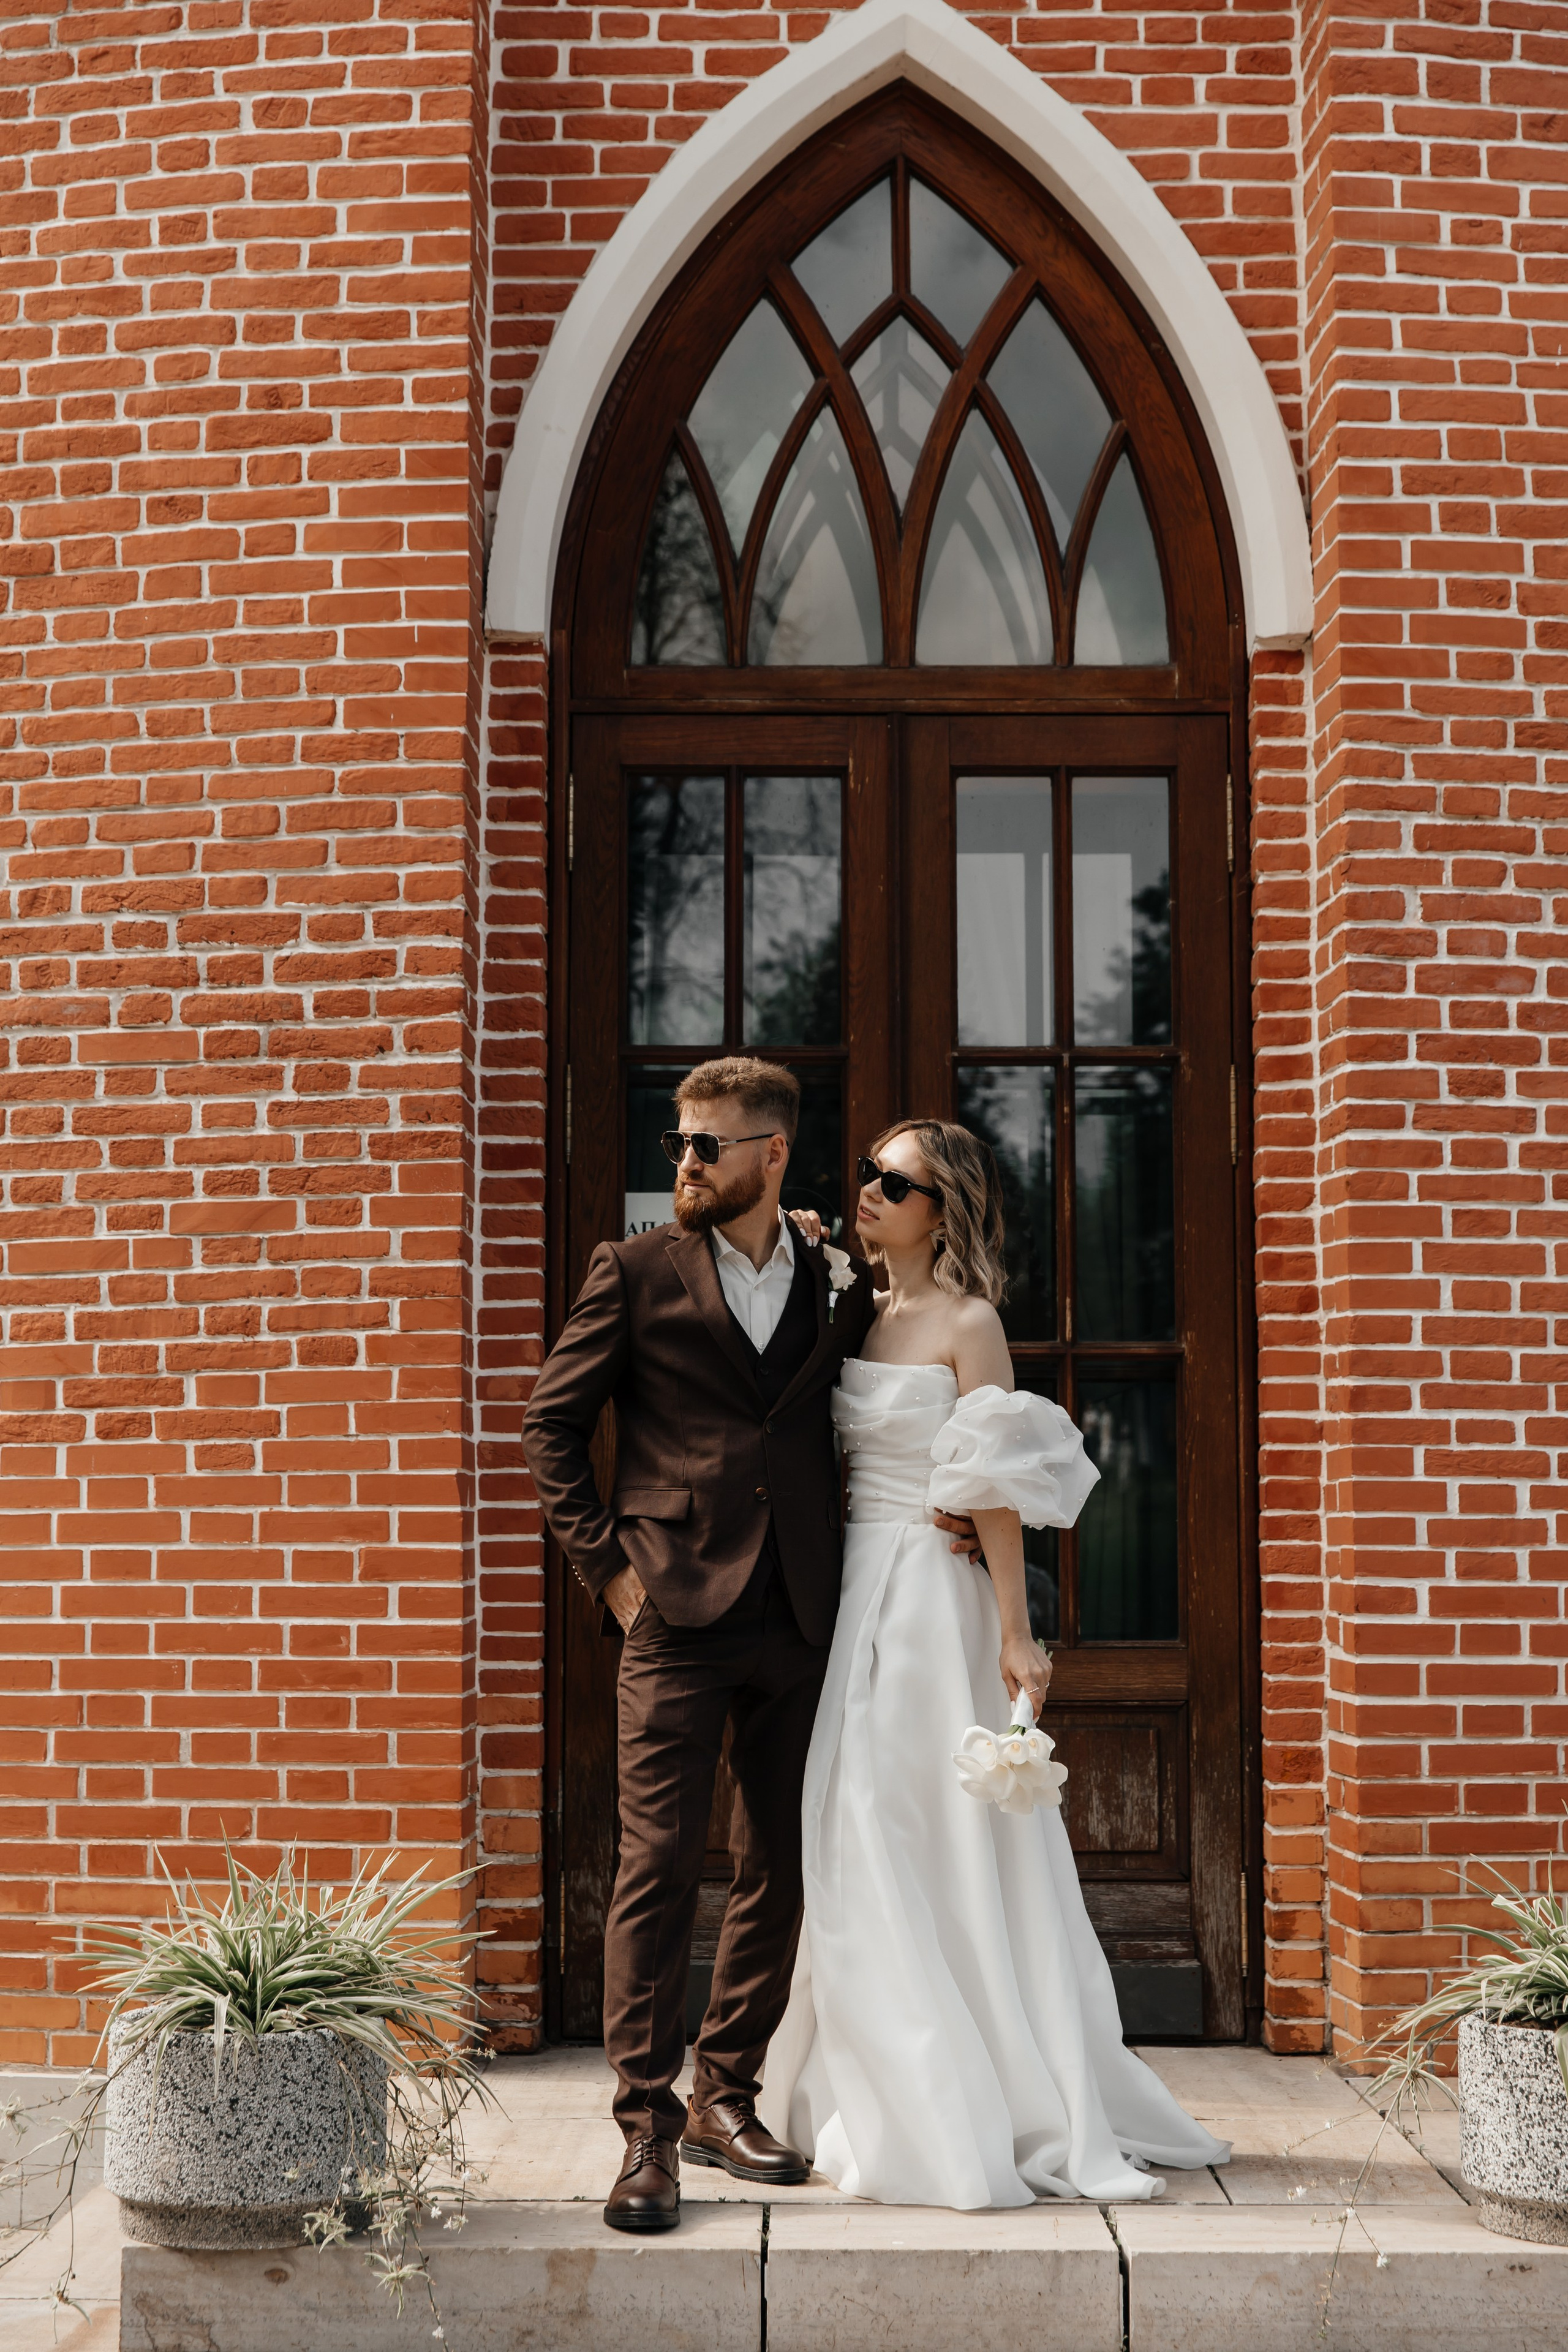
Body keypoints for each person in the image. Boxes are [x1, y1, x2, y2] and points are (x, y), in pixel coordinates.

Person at [522, 1060, 979, 2232]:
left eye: (708, 1146)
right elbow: (550, 1427)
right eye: (680, 1143)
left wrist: (964, 1502)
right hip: (670, 1614)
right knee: (657, 1867)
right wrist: (609, 1574)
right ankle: (646, 2131)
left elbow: (924, 1372)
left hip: (805, 1612)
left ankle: (729, 2094)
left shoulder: (837, 1278)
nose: (684, 1163)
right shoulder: (632, 1270)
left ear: (772, 1154)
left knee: (782, 1862)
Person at [759, 1120, 1229, 2206]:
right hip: (853, 1596)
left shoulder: (971, 1324)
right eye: (867, 1171)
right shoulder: (850, 1312)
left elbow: (996, 1487)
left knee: (936, 1829)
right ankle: (880, 2072)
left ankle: (989, 2092)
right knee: (855, 1820)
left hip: (935, 1599)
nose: (869, 1189)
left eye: (896, 1181)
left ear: (944, 1211)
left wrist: (1017, 1633)